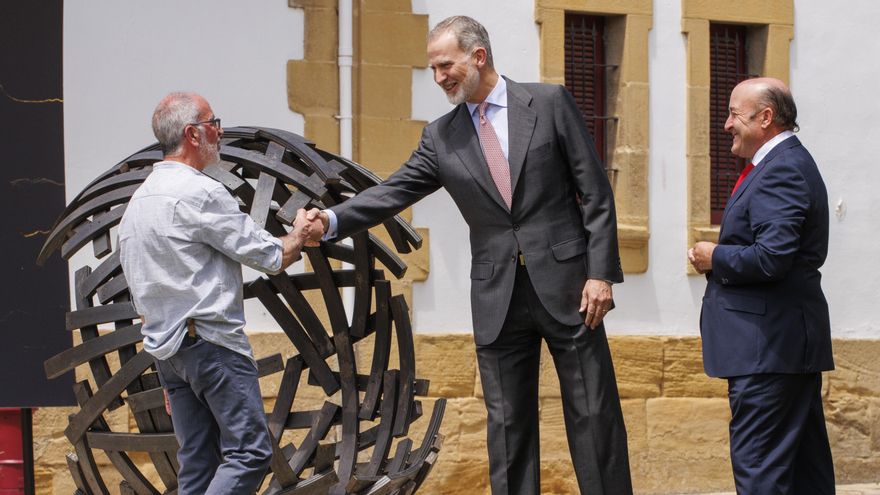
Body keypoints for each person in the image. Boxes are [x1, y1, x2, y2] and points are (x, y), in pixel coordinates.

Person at [304, 16, 631, 495]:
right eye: (433, 69)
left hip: (571, 289)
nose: (439, 78)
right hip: (497, 297)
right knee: (507, 427)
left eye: (445, 65)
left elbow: (596, 194)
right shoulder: (441, 136)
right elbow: (393, 191)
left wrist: (600, 273)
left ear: (479, 56)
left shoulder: (549, 102)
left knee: (593, 414)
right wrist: (330, 221)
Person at [118, 92, 313, 494]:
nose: (220, 131)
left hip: (169, 354)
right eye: (213, 123)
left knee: (198, 462)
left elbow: (139, 289)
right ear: (192, 133)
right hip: (212, 347)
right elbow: (270, 256)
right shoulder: (200, 192)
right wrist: (301, 233)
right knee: (250, 453)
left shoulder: (139, 202)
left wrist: (172, 367)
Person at [688, 77, 835, 494]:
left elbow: (773, 257)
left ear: (766, 117)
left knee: (761, 474)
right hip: (783, 350)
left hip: (768, 351)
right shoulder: (782, 163)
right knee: (807, 476)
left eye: (734, 113)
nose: (726, 125)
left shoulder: (782, 168)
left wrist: (712, 256)